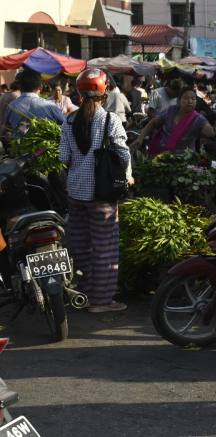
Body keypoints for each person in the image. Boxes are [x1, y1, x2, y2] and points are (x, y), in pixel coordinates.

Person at [58, 68, 131, 313]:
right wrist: (128, 177)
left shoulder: (68, 121)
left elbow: (63, 156)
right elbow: (122, 153)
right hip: (102, 195)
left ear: (79, 93)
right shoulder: (110, 120)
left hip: (75, 192)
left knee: (81, 246)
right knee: (105, 248)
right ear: (104, 92)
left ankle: (84, 294)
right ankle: (101, 302)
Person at [131, 85, 215, 155]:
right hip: (160, 155)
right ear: (179, 100)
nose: (190, 101)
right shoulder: (171, 111)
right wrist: (140, 138)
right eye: (186, 98)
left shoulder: (198, 118)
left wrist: (210, 130)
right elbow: (153, 123)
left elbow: (210, 132)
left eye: (193, 99)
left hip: (184, 160)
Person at [4, 68, 65, 132]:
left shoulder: (11, 106)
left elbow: (6, 132)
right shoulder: (51, 106)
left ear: (20, 87)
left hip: (16, 141)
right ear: (40, 87)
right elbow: (66, 126)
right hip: (47, 140)